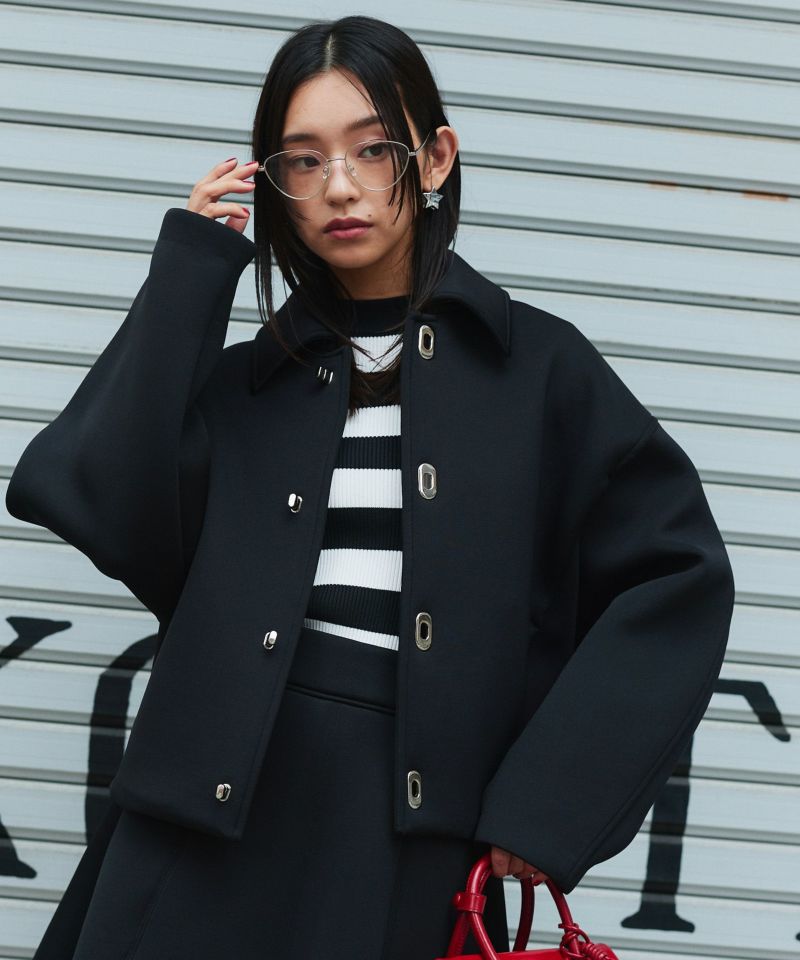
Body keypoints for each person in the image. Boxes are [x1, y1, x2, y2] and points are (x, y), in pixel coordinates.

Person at [6, 14, 735, 960]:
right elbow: (92, 494)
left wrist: (547, 804)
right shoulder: (246, 382)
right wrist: (188, 274)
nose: (340, 186)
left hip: (401, 838)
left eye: (372, 149)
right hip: (194, 828)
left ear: (434, 159)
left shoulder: (540, 371)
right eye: (303, 161)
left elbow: (679, 577)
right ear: (274, 183)